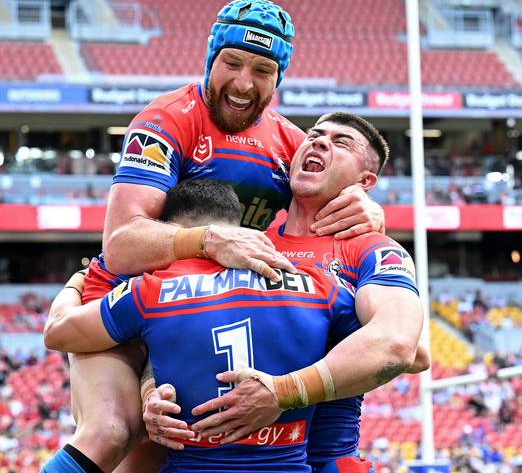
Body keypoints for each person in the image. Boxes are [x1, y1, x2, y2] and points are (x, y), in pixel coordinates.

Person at [54, 0, 386, 473]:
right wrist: (209, 240)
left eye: (262, 70)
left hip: (202, 311)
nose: (244, 83)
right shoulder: (165, 121)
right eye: (232, 63)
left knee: (179, 447)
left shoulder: (292, 143)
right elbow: (122, 245)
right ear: (212, 58)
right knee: (115, 430)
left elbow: (333, 193)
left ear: (279, 78)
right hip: (126, 298)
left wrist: (368, 205)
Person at [141, 113, 430, 472]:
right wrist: (149, 393)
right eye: (314, 134)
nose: (320, 141)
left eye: (341, 142)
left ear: (365, 180)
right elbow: (175, 329)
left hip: (323, 461)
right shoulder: (242, 242)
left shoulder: (372, 250)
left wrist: (285, 391)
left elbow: (403, 347)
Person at [44, 178, 379, 472]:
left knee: (107, 433)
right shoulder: (319, 286)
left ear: (175, 226)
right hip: (293, 464)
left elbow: (59, 332)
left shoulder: (151, 289)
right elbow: (396, 351)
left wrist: (79, 280)